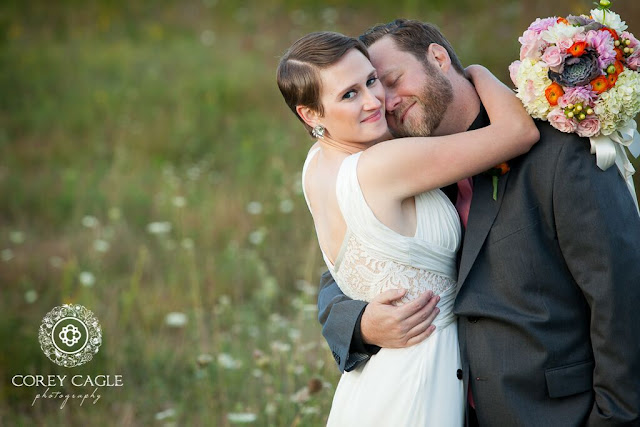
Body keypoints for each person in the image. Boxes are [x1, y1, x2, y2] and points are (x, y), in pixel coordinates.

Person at [317, 19, 640, 426]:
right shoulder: (404, 166)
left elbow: (621, 298)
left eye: (392, 80)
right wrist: (361, 324)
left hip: (554, 413)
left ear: (437, 58)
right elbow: (342, 269)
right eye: (375, 91)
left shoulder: (560, 153)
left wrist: (615, 419)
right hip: (438, 407)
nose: (387, 102)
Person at [277, 30, 539, 426]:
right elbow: (519, 133)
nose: (373, 101)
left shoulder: (316, 164)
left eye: (372, 81)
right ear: (310, 114)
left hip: (378, 382)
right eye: (349, 95)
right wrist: (475, 71)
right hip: (421, 377)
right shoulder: (384, 165)